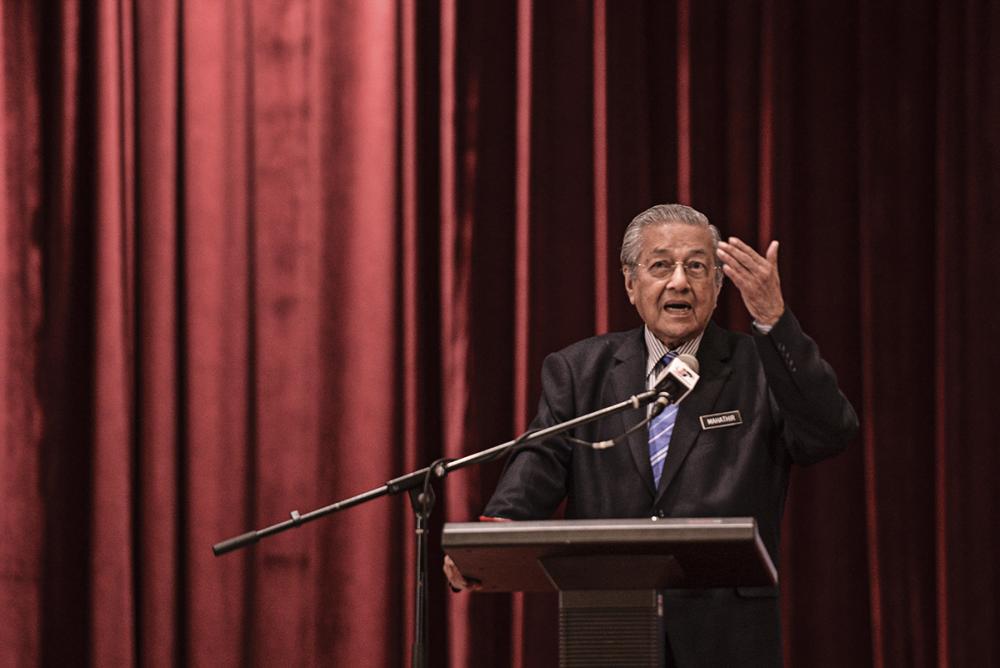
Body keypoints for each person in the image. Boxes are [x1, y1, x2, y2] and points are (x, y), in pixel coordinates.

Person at [443, 203, 858, 666]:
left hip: (728, 636)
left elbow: (829, 432)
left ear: (719, 286)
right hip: (609, 625)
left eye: (697, 267)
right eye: (661, 265)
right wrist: (491, 538)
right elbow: (540, 461)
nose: (679, 281)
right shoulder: (582, 372)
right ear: (630, 283)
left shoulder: (760, 368)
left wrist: (775, 322)